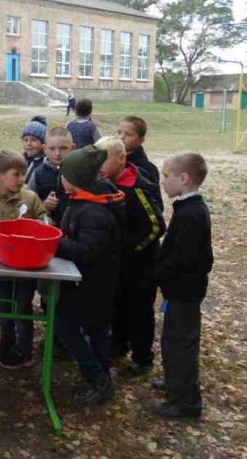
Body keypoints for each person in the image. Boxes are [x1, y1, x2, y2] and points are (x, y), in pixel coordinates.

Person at [54, 145, 124, 405]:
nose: (61, 179)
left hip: (92, 284)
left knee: (68, 325)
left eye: (64, 175)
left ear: (75, 179)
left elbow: (87, 251)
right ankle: (99, 375)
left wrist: (56, 243)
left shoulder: (94, 210)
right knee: (95, 330)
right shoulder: (85, 200)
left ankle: (98, 378)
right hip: (87, 281)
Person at [95, 136, 166, 376]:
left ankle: (142, 358)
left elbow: (156, 227)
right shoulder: (107, 183)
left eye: (103, 160)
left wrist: (130, 249)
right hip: (118, 264)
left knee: (139, 312)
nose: (99, 166)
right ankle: (118, 345)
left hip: (141, 265)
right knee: (118, 305)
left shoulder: (138, 187)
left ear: (121, 158)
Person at [151, 153, 213, 419]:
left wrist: (156, 275)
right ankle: (174, 381)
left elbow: (185, 257)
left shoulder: (192, 213)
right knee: (172, 339)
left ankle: (186, 401)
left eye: (166, 176)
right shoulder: (187, 207)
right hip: (180, 289)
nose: (163, 182)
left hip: (185, 290)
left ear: (184, 178)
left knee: (181, 343)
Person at [0, 151, 49, 368]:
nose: (21, 179)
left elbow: (43, 221)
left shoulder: (30, 198)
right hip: (0, 269)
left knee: (22, 309)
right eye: (15, 174)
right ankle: (6, 342)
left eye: (23, 174)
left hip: (26, 269)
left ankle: (24, 351)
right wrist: (1, 234)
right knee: (3, 308)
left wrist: (39, 225)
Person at [28, 126, 74, 227]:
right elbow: (29, 206)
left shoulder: (78, 172)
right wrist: (44, 206)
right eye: (52, 148)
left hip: (73, 229)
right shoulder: (38, 173)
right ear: (44, 149)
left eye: (63, 148)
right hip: (47, 229)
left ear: (72, 148)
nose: (57, 153)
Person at [117, 115, 162, 209]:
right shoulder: (111, 160)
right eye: (119, 132)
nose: (121, 137)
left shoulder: (146, 168)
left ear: (141, 141)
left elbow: (155, 204)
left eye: (128, 134)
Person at [21, 116, 47, 185]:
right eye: (26, 140)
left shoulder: (45, 164)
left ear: (43, 143)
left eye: (33, 140)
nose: (29, 144)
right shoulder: (20, 160)